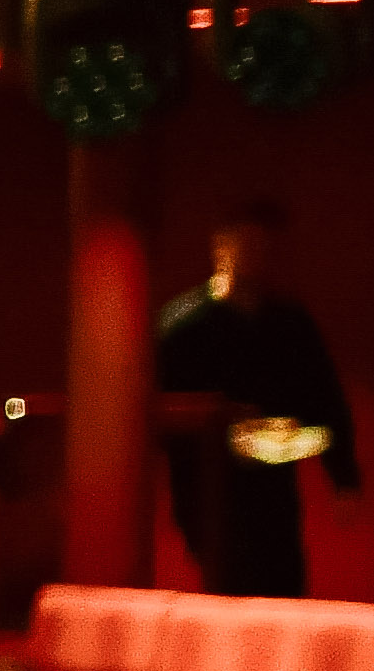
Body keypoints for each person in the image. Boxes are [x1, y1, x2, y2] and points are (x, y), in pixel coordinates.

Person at [151, 218, 359, 599]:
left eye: (264, 249)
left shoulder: (290, 324)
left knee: (281, 584)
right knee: (222, 589)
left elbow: (324, 396)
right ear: (221, 249)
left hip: (273, 487)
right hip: (205, 488)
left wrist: (343, 477)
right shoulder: (182, 326)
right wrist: (221, 429)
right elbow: (157, 410)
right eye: (246, 246)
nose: (255, 259)